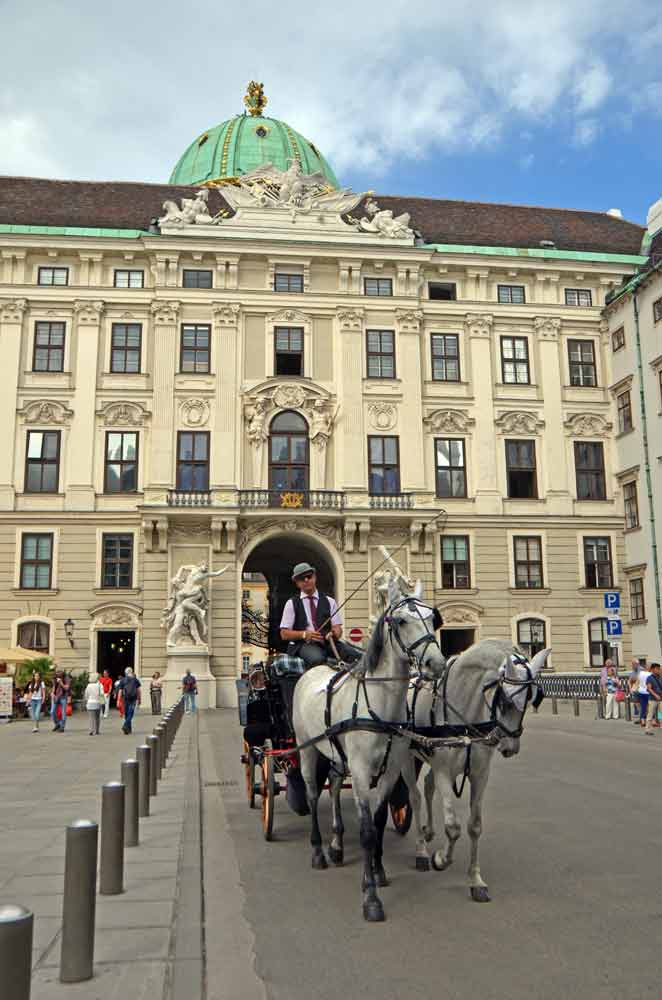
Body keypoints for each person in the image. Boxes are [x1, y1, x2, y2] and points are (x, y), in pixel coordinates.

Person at [279, 562, 362, 669]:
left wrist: (334, 633)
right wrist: (304, 634)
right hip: (303, 645)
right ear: (297, 583)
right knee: (317, 659)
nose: (306, 580)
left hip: (328, 643)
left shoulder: (330, 601)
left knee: (357, 657)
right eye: (301, 578)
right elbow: (284, 634)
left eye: (309, 576)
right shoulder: (291, 603)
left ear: (315, 577)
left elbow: (337, 628)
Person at [115, 668, 141, 734]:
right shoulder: (135, 680)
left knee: (126, 714)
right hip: (133, 699)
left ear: (125, 673)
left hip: (125, 698)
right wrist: (139, 699)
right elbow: (138, 690)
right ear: (132, 672)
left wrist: (118, 700)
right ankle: (127, 727)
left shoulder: (123, 680)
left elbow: (120, 691)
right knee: (130, 713)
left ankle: (127, 728)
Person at [645, 663, 662, 735]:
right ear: (652, 670)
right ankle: (648, 729)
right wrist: (655, 695)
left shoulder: (660, 677)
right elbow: (649, 688)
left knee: (660, 713)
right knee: (650, 714)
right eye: (657, 669)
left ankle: (661, 725)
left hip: (660, 698)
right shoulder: (649, 678)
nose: (659, 670)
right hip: (652, 699)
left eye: (659, 669)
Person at [637, 663, 652, 729]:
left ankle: (642, 720)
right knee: (650, 707)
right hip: (648, 692)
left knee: (643, 707)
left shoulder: (640, 673)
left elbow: (638, 681)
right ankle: (650, 721)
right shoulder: (650, 674)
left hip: (641, 691)